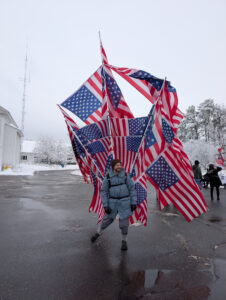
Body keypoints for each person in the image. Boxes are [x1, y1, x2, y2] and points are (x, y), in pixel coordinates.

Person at [91, 159, 137, 251]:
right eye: (117, 165)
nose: (119, 167)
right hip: (113, 202)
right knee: (106, 220)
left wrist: (133, 202)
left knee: (124, 224)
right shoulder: (108, 177)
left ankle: (124, 242)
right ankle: (98, 233)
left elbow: (132, 189)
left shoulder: (125, 175)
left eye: (120, 165)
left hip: (125, 202)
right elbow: (103, 191)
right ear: (113, 166)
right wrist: (105, 205)